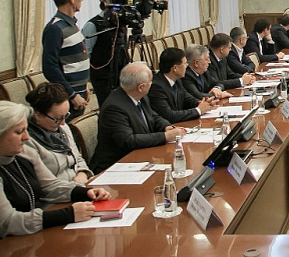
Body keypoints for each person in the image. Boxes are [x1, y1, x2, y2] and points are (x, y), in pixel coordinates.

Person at [0, 101, 110, 237]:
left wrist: (85, 193)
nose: (26, 137)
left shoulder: (25, 153)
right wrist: (67, 214)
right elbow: (7, 222)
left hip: (30, 234)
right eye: (19, 132)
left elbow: (50, 186)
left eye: (26, 130)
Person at [90, 62, 186, 173]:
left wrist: (166, 127)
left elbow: (153, 116)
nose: (152, 84)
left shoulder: (139, 96)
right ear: (141, 87)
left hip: (139, 157)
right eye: (150, 81)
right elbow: (128, 140)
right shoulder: (114, 107)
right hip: (115, 165)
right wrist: (165, 136)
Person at [24, 83, 93, 184]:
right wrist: (76, 186)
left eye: (66, 116)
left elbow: (77, 157)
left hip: (79, 184)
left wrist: (83, 173)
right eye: (58, 118)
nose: (63, 123)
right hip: (61, 190)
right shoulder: (27, 140)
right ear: (38, 115)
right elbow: (45, 184)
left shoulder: (62, 127)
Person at [41, 0, 90, 120]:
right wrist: (72, 95)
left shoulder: (71, 24)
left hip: (79, 90)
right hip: (68, 96)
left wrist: (85, 85)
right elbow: (50, 68)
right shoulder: (55, 28)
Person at [80, 0, 128, 108]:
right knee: (108, 106)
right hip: (103, 75)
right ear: (103, 2)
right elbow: (86, 53)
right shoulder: (93, 24)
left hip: (121, 72)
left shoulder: (120, 23)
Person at [149, 48, 215, 123]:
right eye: (185, 64)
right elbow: (169, 115)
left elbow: (187, 98)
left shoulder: (177, 80)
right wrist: (198, 110)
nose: (186, 67)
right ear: (175, 68)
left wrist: (201, 103)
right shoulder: (156, 86)